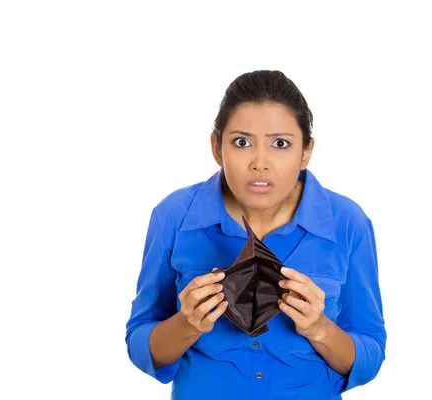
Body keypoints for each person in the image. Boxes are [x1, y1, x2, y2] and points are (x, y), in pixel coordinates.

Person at [125, 70, 386, 399]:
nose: (260, 163)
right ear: (217, 148)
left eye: (280, 144)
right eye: (242, 142)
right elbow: (140, 343)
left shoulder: (348, 223)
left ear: (306, 152)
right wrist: (187, 324)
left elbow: (370, 353)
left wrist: (319, 329)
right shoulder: (174, 216)